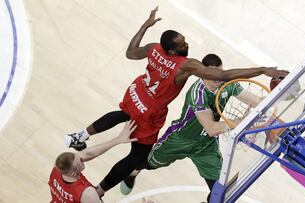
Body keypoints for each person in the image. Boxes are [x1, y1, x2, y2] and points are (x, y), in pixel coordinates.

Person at [64, 7, 288, 196]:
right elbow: (211, 125)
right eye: (182, 44)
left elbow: (131, 53)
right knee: (140, 159)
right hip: (172, 131)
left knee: (221, 188)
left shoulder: (156, 49)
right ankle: (121, 177)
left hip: (148, 101)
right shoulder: (192, 81)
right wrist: (260, 71)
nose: (186, 44)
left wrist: (281, 97)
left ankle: (81, 136)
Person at [119, 54, 267, 202]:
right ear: (204, 74)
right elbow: (212, 128)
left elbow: (256, 101)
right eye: (213, 76)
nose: (218, 79)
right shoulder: (198, 94)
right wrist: (243, 120)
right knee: (148, 163)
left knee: (221, 194)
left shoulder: (227, 82)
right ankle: (132, 172)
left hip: (206, 145)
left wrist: (278, 97)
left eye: (220, 74)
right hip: (180, 139)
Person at [49, 121, 137, 203]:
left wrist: (118, 139)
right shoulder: (87, 193)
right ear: (74, 173)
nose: (81, 157)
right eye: (80, 161)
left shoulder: (58, 168)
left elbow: (87, 154)